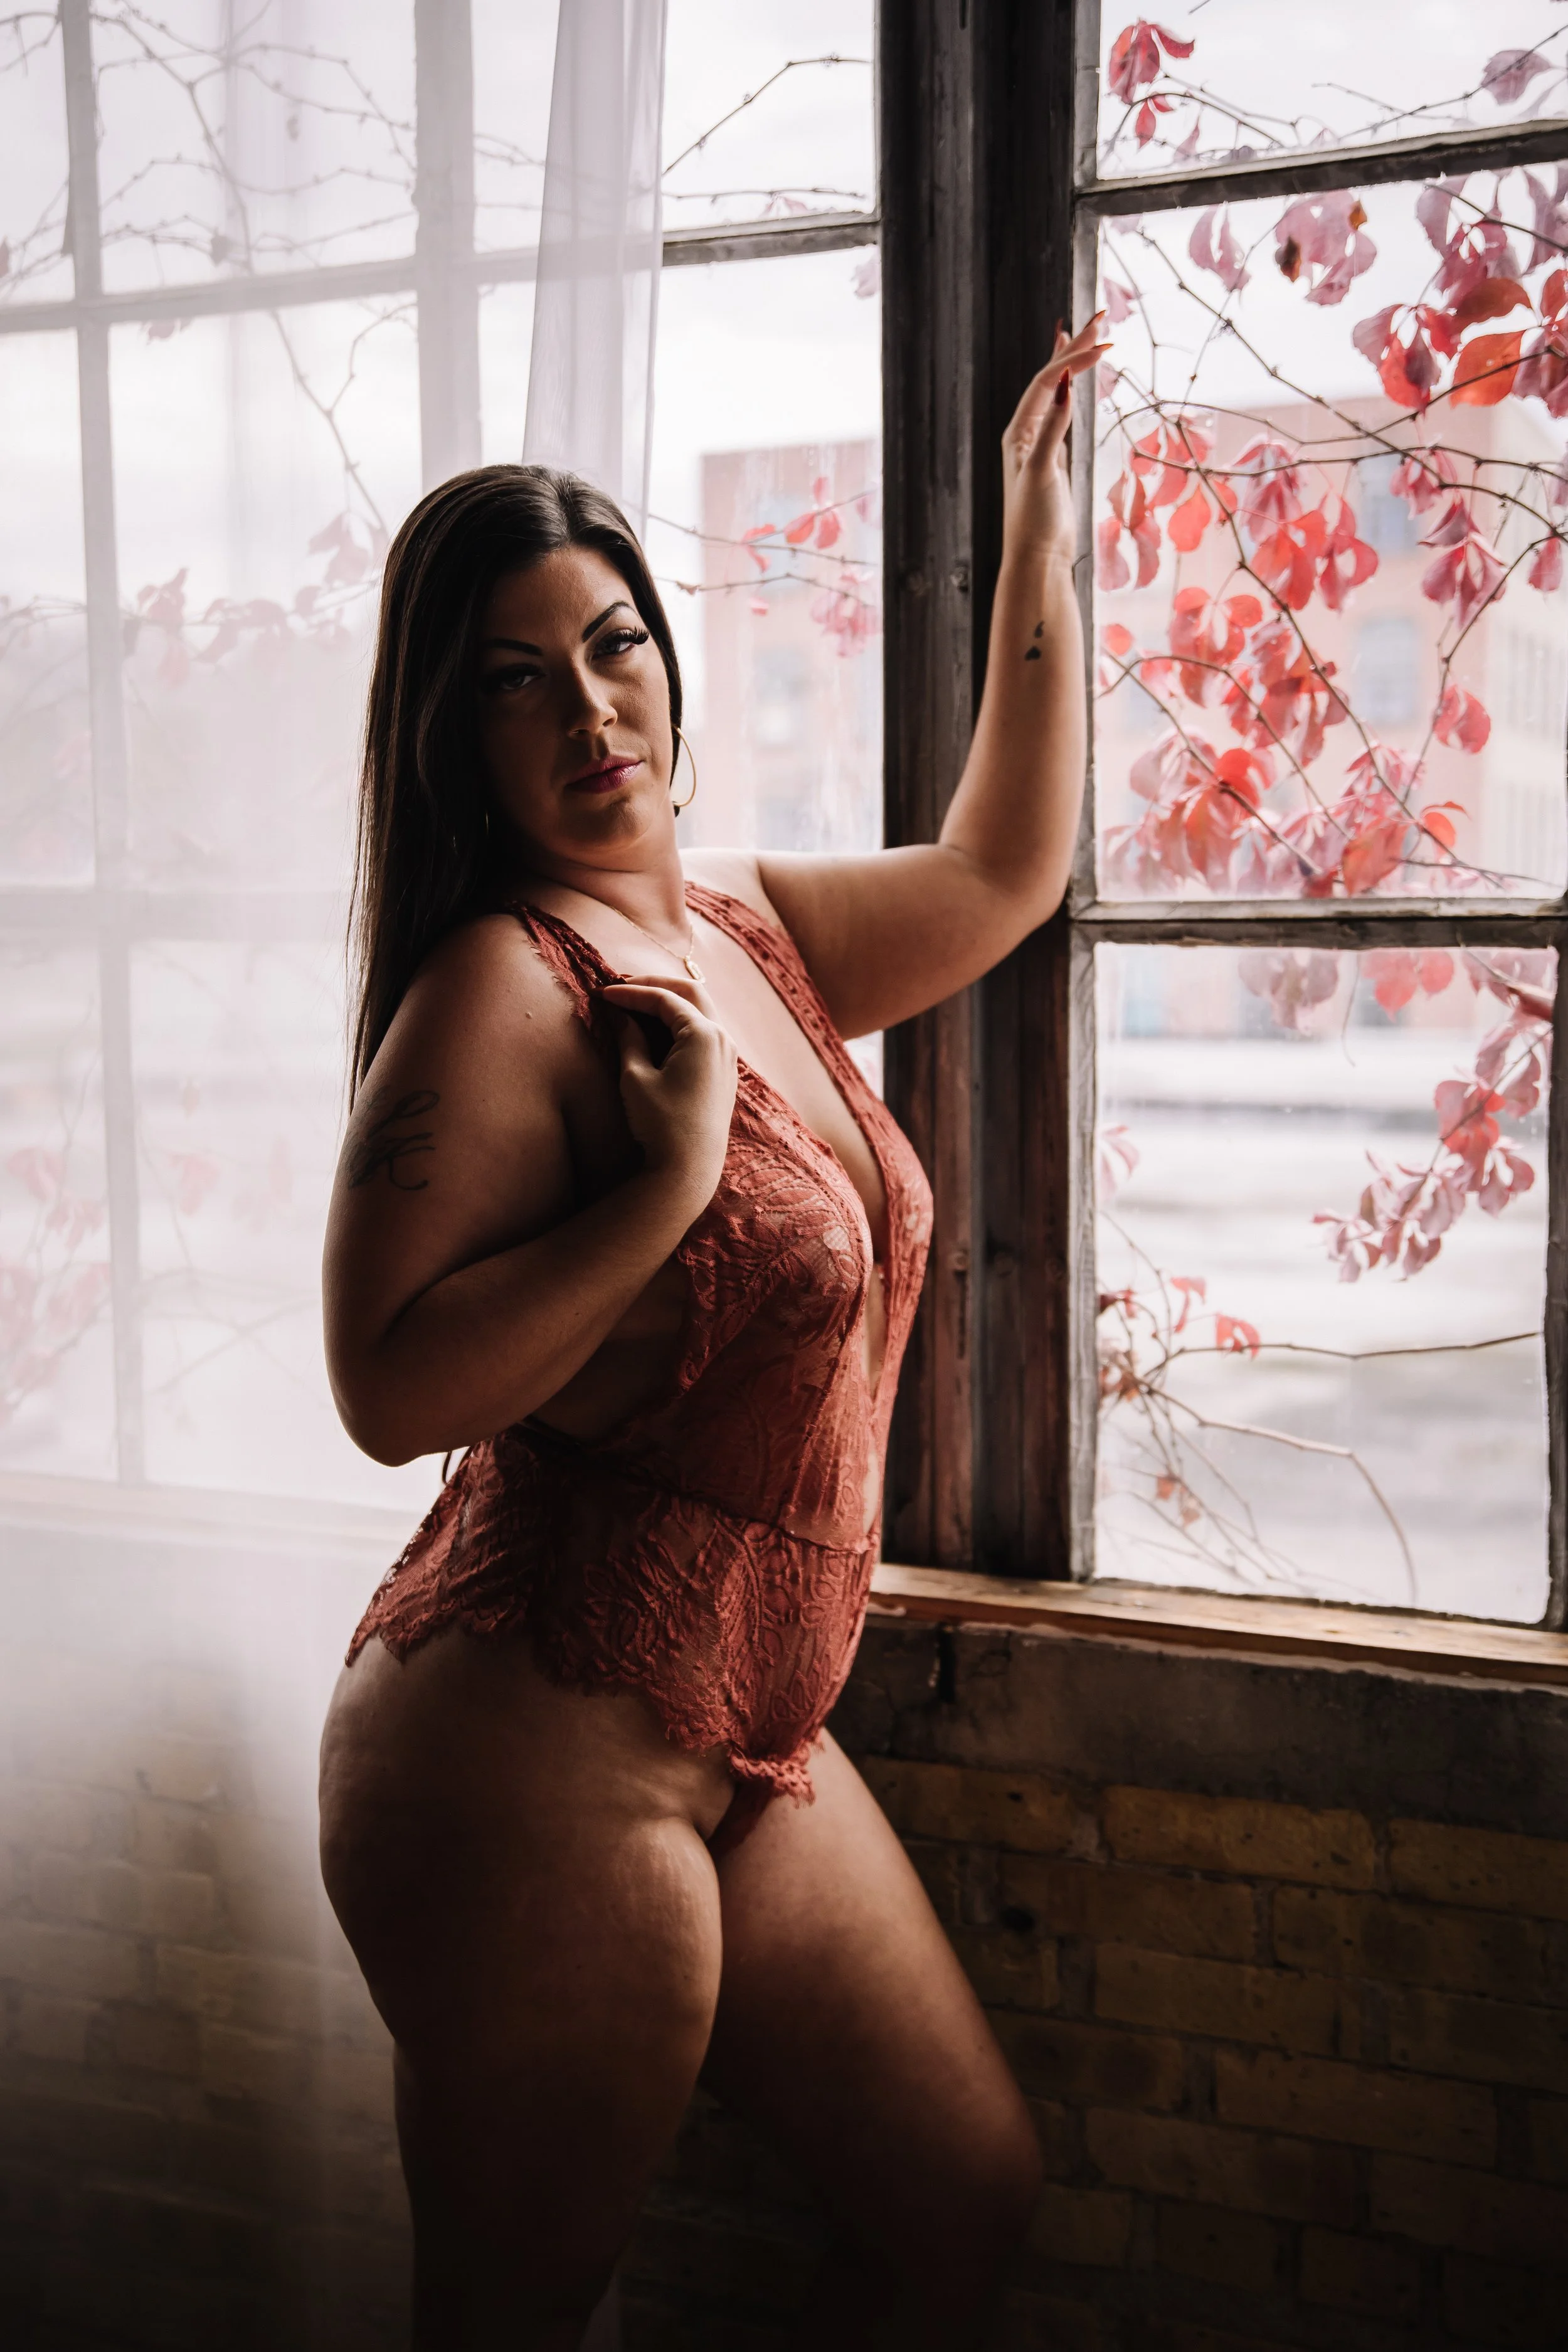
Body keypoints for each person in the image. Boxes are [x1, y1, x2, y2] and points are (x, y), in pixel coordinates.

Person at [318, 314, 1107, 2352]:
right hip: (528, 1758)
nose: (588, 707)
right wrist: (658, 1193)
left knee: (957, 2194)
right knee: (512, 2324)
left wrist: (1040, 534)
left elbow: (1003, 868)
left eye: (612, 643)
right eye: (516, 681)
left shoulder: (741, 918)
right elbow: (384, 1386)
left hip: (742, 1730)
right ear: (454, 740)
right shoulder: (502, 984)